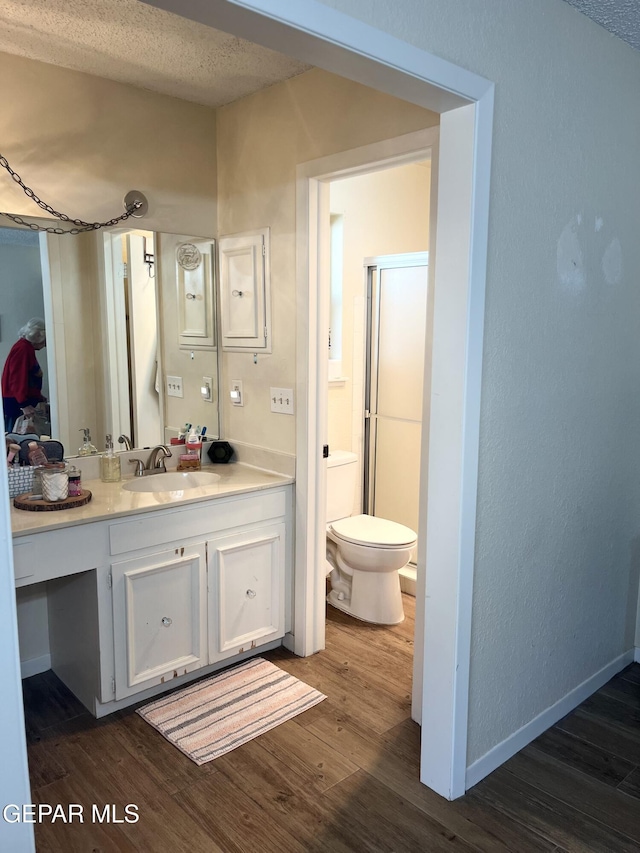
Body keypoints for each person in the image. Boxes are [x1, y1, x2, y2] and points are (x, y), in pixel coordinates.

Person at [2, 318, 47, 433]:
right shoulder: (23, 349)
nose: (45, 345)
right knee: (15, 440)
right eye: (44, 341)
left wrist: (38, 396)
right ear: (38, 337)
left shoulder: (25, 348)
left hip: (19, 402)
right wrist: (24, 404)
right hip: (16, 404)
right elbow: (17, 378)